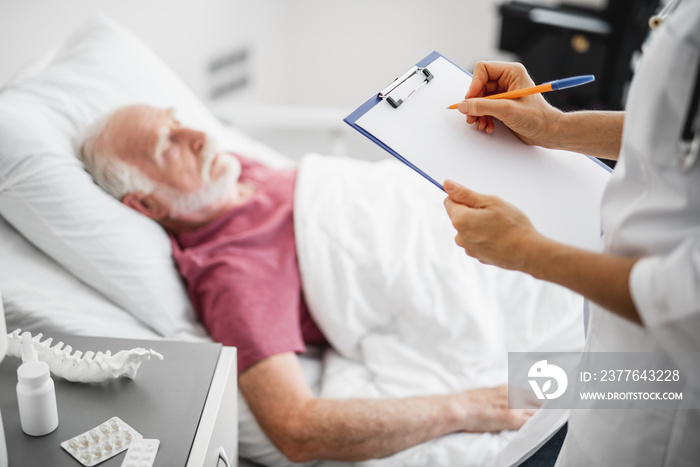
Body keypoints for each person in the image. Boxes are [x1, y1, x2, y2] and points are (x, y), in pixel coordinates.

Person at [78, 104, 537, 464]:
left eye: (178, 121)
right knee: (602, 383)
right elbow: (296, 428)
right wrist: (471, 407)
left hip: (492, 229)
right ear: (149, 205)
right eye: (169, 145)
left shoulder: (228, 173)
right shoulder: (233, 271)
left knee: (603, 284)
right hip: (479, 289)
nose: (199, 135)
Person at [443, 1, 700, 465]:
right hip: (615, 357)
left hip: (670, 404)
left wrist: (526, 251)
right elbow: (676, 131)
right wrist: (553, 126)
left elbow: (688, 298)